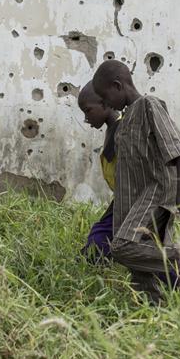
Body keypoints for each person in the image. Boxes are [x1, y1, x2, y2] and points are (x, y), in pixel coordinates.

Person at [90, 59, 180, 304]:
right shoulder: (123, 124)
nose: (106, 103)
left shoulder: (149, 105)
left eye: (105, 96)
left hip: (156, 193)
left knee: (121, 247)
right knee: (143, 271)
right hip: (132, 203)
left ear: (118, 86)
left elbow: (176, 147)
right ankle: (161, 309)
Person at [77, 83, 120, 263]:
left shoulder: (124, 129)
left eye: (88, 111)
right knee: (99, 237)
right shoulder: (114, 128)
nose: (87, 119)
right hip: (123, 198)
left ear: (105, 103)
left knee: (100, 239)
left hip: (136, 199)